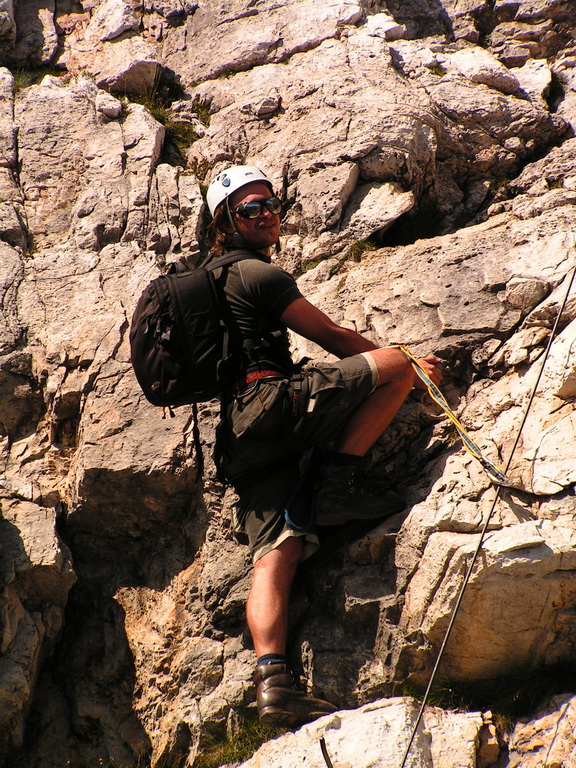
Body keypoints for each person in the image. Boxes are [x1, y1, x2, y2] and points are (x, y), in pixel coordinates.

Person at [204, 165, 443, 728]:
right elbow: (332, 338)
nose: (266, 215)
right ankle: (338, 483)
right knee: (398, 365)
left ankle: (274, 683)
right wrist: (407, 365)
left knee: (276, 552)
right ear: (226, 222)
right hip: (273, 405)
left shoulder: (207, 281)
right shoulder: (256, 276)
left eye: (270, 204)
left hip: (240, 437)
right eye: (250, 210)